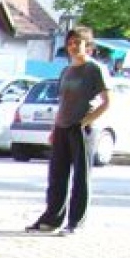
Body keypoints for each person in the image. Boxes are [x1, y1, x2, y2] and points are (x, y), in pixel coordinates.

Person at [27, 26, 110, 235]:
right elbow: (63, 101)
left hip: (81, 129)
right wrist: (55, 128)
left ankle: (76, 222)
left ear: (88, 46)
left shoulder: (95, 69)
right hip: (63, 127)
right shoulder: (66, 70)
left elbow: (107, 102)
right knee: (57, 175)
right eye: (70, 43)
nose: (73, 47)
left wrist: (86, 121)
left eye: (78, 43)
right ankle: (51, 219)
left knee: (80, 177)